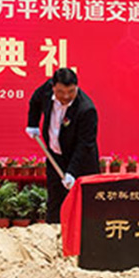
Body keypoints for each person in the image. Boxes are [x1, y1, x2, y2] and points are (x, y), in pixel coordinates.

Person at [26, 68, 99, 223]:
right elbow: (35, 100)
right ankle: (53, 232)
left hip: (81, 162)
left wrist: (72, 172)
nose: (66, 96)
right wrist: (33, 124)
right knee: (55, 200)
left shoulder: (86, 110)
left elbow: (84, 145)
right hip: (55, 157)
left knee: (82, 206)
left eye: (71, 92)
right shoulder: (46, 90)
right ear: (53, 87)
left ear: (76, 87)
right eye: (61, 92)